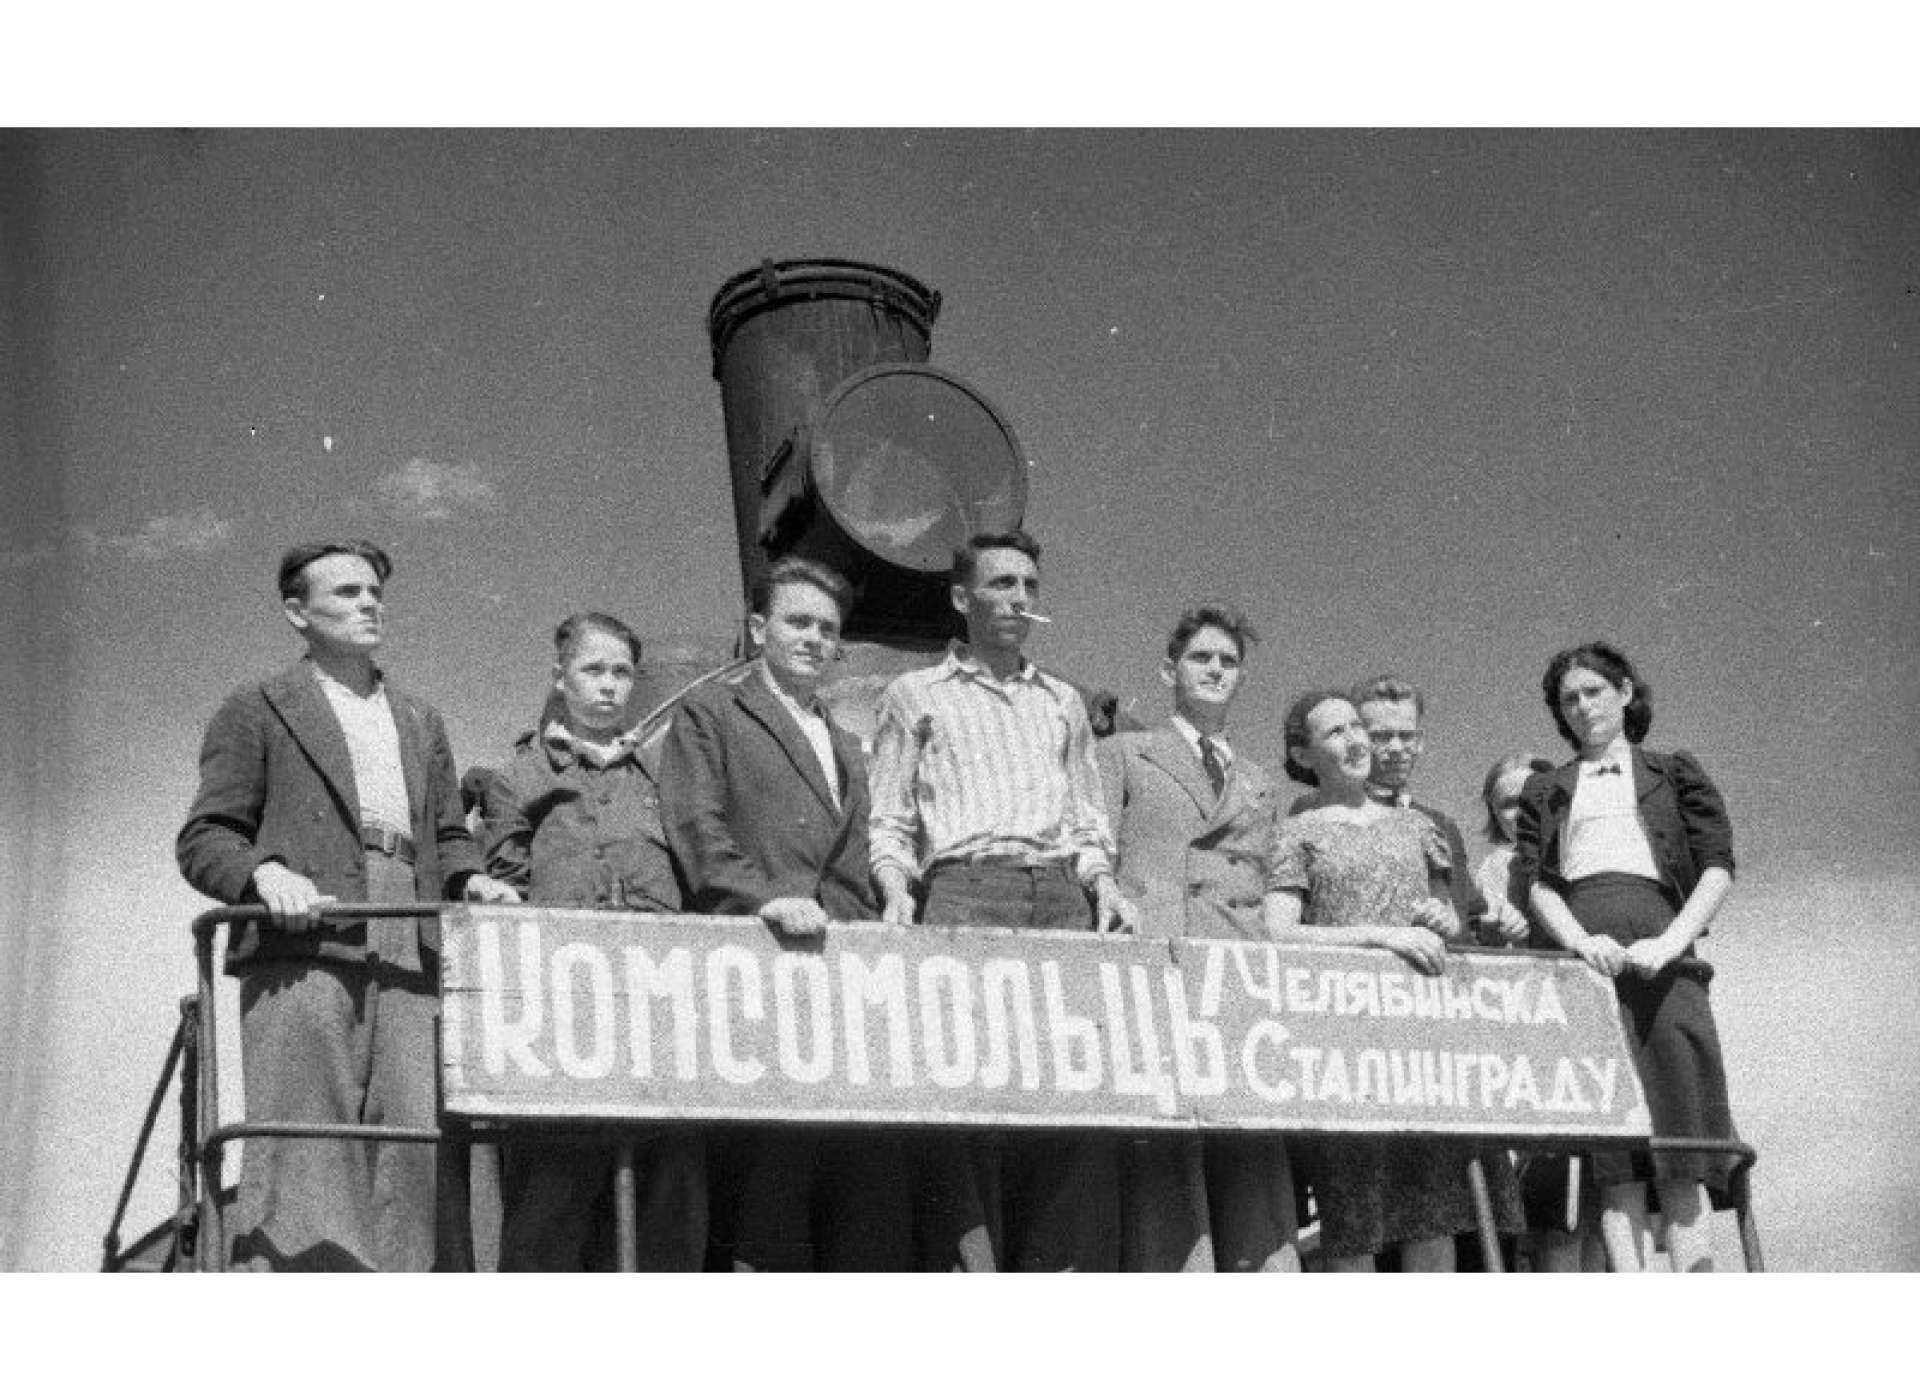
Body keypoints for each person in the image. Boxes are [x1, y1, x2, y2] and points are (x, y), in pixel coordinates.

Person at [176, 540, 521, 1271]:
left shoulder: (420, 720)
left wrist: (470, 881)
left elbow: (450, 836)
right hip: (306, 940)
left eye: (375, 592)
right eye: (346, 594)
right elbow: (206, 836)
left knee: (419, 1141)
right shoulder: (258, 707)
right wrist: (263, 874)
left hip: (412, 937)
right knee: (307, 1143)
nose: (369, 604)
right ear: (297, 612)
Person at [869, 529, 1135, 1271]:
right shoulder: (912, 696)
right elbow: (889, 819)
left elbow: (1087, 820)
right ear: (962, 597)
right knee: (973, 1098)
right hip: (964, 892)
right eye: (1000, 585)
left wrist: (1104, 885)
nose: (1018, 600)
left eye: (1028, 586)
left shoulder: (1064, 703)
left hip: (1059, 899)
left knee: (1072, 1097)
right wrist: (897, 890)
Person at [659, 557, 911, 1270]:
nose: (812, 638)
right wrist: (763, 898)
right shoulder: (711, 713)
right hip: (761, 965)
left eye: (827, 629)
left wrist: (891, 898)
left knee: (854, 1179)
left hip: (845, 972)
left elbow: (862, 848)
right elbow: (697, 828)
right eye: (797, 622)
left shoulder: (848, 744)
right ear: (758, 628)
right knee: (768, 1182)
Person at [1263, 689, 1522, 1271]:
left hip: (1421, 1041)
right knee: (1355, 1215)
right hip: (1345, 1046)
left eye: (1358, 727)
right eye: (1334, 732)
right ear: (1304, 756)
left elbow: (1446, 918)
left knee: (1433, 1211)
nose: (1356, 740)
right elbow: (1280, 932)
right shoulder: (1297, 831)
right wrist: (1383, 936)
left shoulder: (1417, 827)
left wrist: (1442, 918)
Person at [484, 612, 705, 1270]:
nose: (609, 686)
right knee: (556, 1186)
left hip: (660, 1007)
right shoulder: (517, 778)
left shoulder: (666, 779)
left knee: (671, 1183)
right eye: (593, 670)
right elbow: (506, 884)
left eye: (622, 673)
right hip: (563, 1014)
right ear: (560, 675)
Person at [1513, 642, 1740, 1272]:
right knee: (1614, 1163)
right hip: (1587, 971)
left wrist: (1667, 945)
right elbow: (1535, 883)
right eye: (1569, 699)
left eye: (1594, 691)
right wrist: (1582, 943)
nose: (1583, 706)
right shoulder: (1546, 789)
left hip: (1667, 968)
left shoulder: (1675, 772)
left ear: (1625, 693)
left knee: (1680, 1152)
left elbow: (1717, 867)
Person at [1098, 604, 1298, 1272]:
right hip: (1159, 966)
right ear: (1169, 670)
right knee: (1167, 1157)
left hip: (1238, 975)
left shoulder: (1259, 781)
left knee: (1251, 1159)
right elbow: (1091, 850)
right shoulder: (1125, 753)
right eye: (1201, 657)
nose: (1215, 670)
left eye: (1229, 661)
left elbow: (1270, 880)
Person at [1477, 752, 1606, 1271]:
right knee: (1547, 1205)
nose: (1520, 811)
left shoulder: (1581, 854)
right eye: (1508, 803)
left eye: (1531, 798)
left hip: (1587, 1032)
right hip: (1529, 1038)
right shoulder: (1494, 867)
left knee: (1592, 1203)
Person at [1350, 675, 1513, 939]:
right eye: (1380, 736)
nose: (1395, 747)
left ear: (1420, 741)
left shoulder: (1443, 826)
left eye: (1406, 736)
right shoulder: (1321, 813)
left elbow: (1468, 919)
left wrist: (1499, 924)